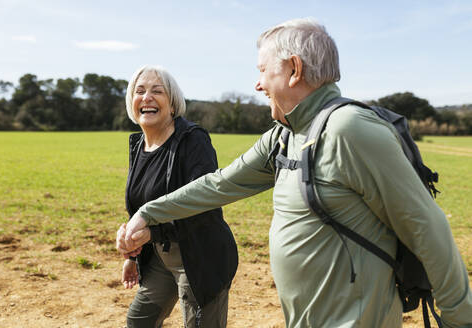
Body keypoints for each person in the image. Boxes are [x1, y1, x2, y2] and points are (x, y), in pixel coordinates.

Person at [118, 20, 472, 327]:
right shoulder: (285, 136)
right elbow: (219, 184)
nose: (257, 85)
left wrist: (460, 319)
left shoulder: (349, 131)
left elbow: (427, 228)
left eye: (262, 71)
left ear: (294, 69)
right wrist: (149, 213)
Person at [116, 65, 238, 328]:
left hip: (200, 256)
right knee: (139, 321)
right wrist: (133, 254)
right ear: (131, 103)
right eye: (139, 91)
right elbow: (141, 206)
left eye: (157, 91)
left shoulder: (193, 141)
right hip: (161, 257)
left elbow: (205, 206)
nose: (146, 97)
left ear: (172, 104)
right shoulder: (139, 145)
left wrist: (152, 233)